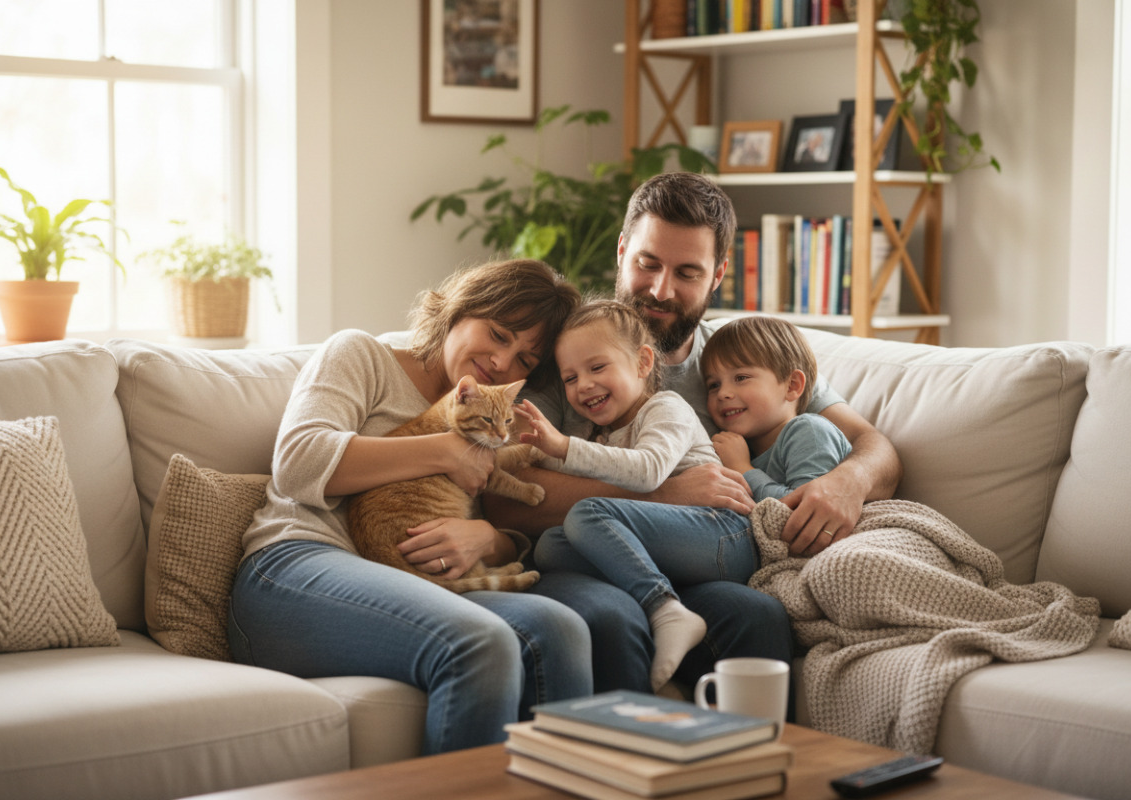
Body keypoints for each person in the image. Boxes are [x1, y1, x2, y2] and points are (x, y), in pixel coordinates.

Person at [488, 171, 902, 691]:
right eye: (647, 263)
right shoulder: (569, 359)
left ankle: (752, 769)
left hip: (702, 558)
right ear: (622, 252)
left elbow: (875, 446)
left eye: (687, 272)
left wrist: (850, 482)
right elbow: (504, 501)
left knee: (756, 614)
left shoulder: (738, 359)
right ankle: (623, 767)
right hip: (596, 559)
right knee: (609, 615)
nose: (661, 289)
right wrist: (665, 494)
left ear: (718, 274)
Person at [227, 259, 592, 755]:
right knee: (481, 642)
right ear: (462, 308)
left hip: (412, 578)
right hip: (294, 569)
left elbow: (499, 510)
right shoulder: (361, 355)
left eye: (526, 360)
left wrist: (489, 538)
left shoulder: (494, 413)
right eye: (499, 334)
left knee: (562, 629)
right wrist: (444, 450)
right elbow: (297, 463)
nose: (505, 362)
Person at [517, 299, 738, 690]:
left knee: (587, 514)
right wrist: (526, 453)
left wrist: (562, 446)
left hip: (721, 534)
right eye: (570, 378)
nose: (583, 384)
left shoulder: (666, 408)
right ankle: (654, 593)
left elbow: (647, 470)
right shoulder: (599, 436)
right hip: (673, 545)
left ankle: (665, 609)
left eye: (597, 367)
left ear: (643, 363)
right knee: (551, 545)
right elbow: (581, 462)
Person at [702, 315, 851, 503]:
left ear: (792, 386)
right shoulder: (737, 448)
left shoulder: (809, 431)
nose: (723, 393)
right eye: (713, 385)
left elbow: (804, 509)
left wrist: (742, 468)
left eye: (741, 378)